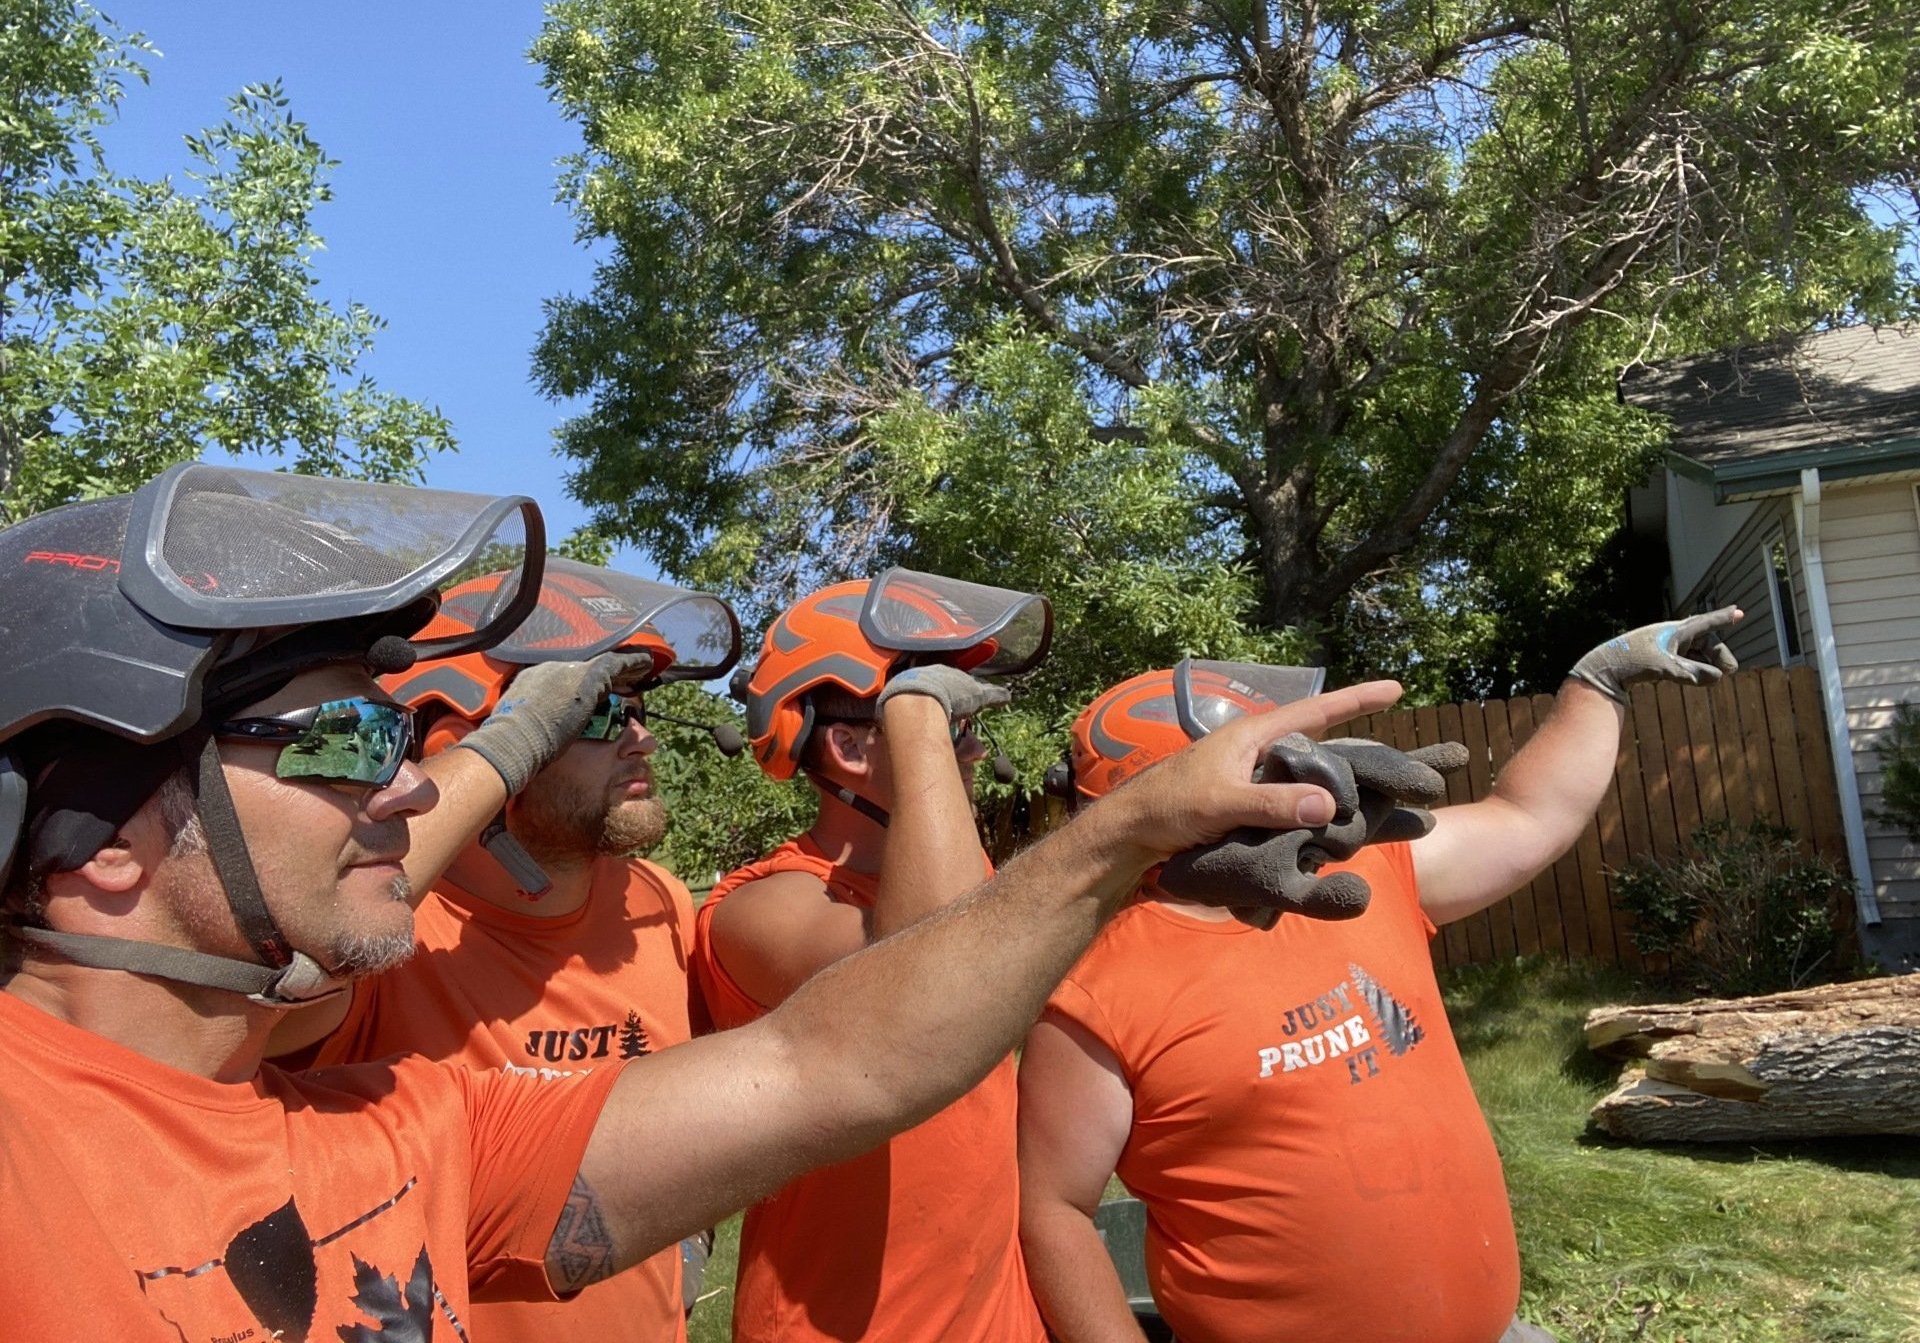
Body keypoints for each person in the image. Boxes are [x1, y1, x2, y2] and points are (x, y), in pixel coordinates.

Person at [0, 464, 1395, 1341]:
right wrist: (502, 741)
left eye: (402, 738)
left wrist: (1134, 844)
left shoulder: (409, 1140)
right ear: (98, 839)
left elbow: (842, 1064)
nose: (415, 788)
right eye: (346, 739)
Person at [1018, 620, 1741, 1343]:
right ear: (1167, 803)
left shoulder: (1360, 874)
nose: (1307, 779)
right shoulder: (1093, 991)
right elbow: (1054, 1212)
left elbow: (1528, 816)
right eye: (1264, 766)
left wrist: (1598, 680)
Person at [264, 556, 744, 1342]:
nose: (643, 739)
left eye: (636, 708)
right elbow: (277, 986)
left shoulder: (657, 901)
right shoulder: (383, 940)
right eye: (593, 711)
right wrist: (502, 750)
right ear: (467, 740)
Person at [690, 571, 1054, 1343]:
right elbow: (939, 979)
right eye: (952, 725)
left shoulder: (960, 880)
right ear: (852, 746)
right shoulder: (759, 909)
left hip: (995, 1318)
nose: (977, 745)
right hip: (843, 1326)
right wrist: (920, 719)